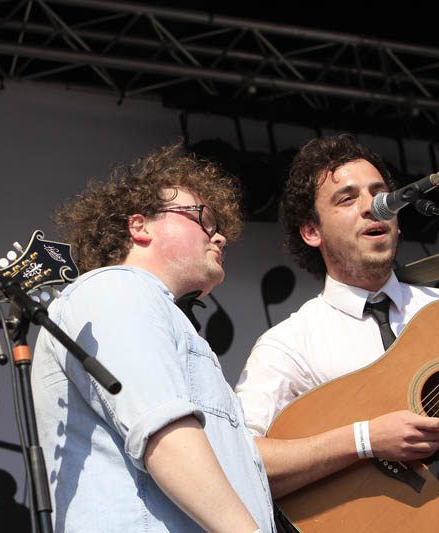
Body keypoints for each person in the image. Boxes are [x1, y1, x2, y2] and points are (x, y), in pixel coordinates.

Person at [235, 133, 439, 530]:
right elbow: (241, 460)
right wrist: (365, 439)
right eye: (346, 198)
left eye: (380, 194)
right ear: (311, 232)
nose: (372, 207)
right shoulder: (288, 345)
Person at [31, 143, 276, 533]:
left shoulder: (152, 307)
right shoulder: (117, 289)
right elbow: (162, 431)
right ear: (139, 226)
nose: (220, 237)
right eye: (201, 218)